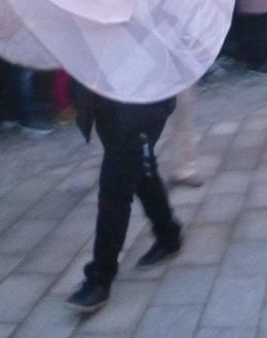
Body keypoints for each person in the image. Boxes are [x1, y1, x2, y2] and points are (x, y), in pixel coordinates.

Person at [66, 88, 183, 313]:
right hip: (107, 97)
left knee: (116, 186)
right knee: (138, 169)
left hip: (141, 97)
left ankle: (101, 276)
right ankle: (169, 234)